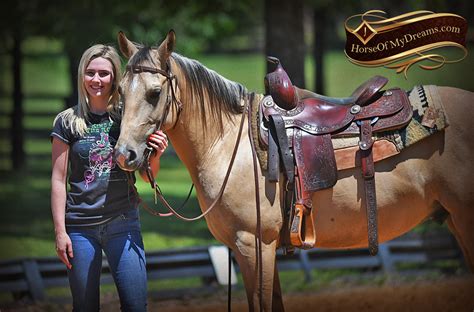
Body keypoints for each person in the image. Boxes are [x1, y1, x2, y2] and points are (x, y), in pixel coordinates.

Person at [50, 44, 168, 311]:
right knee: (85, 307)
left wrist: (156, 155)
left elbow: (147, 177)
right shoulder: (67, 122)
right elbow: (58, 180)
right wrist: (60, 232)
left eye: (103, 73)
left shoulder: (127, 117)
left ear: (115, 76)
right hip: (79, 228)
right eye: (90, 73)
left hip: (123, 223)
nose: (96, 80)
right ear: (82, 76)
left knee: (136, 306)